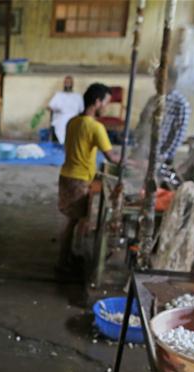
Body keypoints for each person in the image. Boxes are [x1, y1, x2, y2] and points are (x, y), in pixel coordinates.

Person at [57, 83, 120, 276]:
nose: (106, 108)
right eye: (106, 103)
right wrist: (134, 162)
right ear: (97, 102)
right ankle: (64, 262)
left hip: (66, 175)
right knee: (75, 223)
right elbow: (112, 157)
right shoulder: (95, 127)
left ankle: (68, 256)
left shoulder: (73, 122)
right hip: (80, 179)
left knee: (74, 220)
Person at [134, 67, 191, 165]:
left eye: (158, 79)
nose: (155, 82)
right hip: (143, 153)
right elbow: (141, 124)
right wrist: (137, 146)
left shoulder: (181, 104)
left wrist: (160, 158)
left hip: (161, 158)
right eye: (155, 78)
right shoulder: (152, 100)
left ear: (169, 81)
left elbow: (178, 136)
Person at [45, 75, 84, 145]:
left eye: (69, 82)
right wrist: (56, 109)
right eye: (66, 82)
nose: (67, 84)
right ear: (64, 84)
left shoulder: (78, 96)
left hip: (73, 120)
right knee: (60, 126)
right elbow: (49, 107)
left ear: (72, 84)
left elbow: (81, 110)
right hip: (60, 119)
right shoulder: (58, 95)